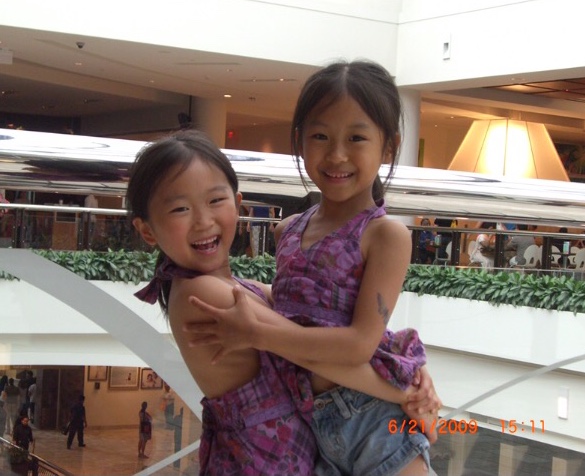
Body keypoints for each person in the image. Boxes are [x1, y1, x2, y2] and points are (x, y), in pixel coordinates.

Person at [129, 130, 438, 475]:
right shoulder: (201, 295)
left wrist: (410, 365)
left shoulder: (239, 288)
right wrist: (404, 393)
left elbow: (327, 327)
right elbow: (309, 354)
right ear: (147, 231)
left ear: (238, 202)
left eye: (216, 200)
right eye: (180, 208)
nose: (204, 221)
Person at [187, 60, 440, 475]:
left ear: (388, 147)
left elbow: (360, 342)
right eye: (320, 136)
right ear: (300, 142)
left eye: (356, 138)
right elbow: (296, 304)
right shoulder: (289, 228)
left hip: (373, 424)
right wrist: (238, 288)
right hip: (310, 428)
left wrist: (257, 333)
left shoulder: (385, 235)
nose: (336, 154)